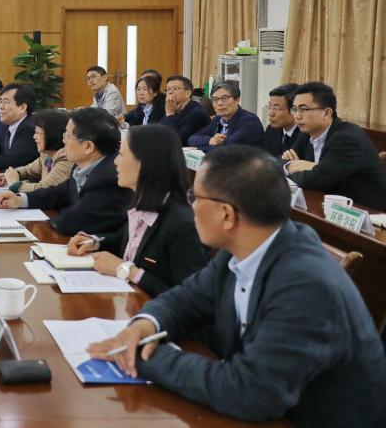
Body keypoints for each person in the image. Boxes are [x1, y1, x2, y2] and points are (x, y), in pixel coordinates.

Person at [87, 146, 386, 427]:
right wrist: (146, 325)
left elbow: (252, 392)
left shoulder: (306, 284)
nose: (190, 206)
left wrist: (146, 356)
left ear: (226, 214)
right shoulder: (242, 249)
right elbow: (185, 300)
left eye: (195, 197)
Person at [66, 125, 207, 297]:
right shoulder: (141, 202)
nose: (115, 162)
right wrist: (94, 242)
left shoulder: (182, 223)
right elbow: (129, 241)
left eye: (122, 155)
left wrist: (128, 271)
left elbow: (190, 299)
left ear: (145, 162)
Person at [0, 108, 132, 236]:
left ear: (88, 146)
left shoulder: (108, 178)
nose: (63, 140)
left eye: (67, 135)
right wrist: (21, 200)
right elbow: (58, 192)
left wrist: (41, 224)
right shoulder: (81, 167)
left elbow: (72, 222)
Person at [283, 82, 386, 210]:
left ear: (326, 113)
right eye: (294, 109)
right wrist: (294, 165)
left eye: (304, 109)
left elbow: (314, 180)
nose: (297, 116)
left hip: (366, 212)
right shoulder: (307, 132)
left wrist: (300, 167)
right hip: (328, 204)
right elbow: (281, 159)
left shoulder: (347, 139)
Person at [0, 109, 74, 193]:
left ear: (52, 134)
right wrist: (9, 175)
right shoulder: (47, 155)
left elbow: (43, 189)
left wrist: (14, 184)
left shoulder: (65, 158)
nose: (34, 137)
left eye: (37, 133)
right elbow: (29, 170)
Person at [186, 81, 263, 152]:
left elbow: (228, 148)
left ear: (237, 100)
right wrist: (210, 140)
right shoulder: (218, 119)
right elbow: (192, 139)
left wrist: (198, 149)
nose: (219, 103)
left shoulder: (250, 121)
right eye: (215, 99)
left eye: (225, 98)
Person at [0, 83, 39, 169]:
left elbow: (10, 162)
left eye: (6, 102)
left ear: (22, 107)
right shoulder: (10, 124)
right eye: (0, 102)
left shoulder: (30, 129)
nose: (0, 107)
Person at [159, 76, 209, 145]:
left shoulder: (197, 114)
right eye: (168, 89)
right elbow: (158, 131)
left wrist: (170, 114)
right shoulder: (172, 107)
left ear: (187, 93)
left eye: (175, 88)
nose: (170, 92)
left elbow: (177, 140)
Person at [262, 83, 300, 157]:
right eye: (269, 106)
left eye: (276, 108)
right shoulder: (271, 130)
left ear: (294, 110)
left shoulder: (306, 134)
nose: (270, 113)